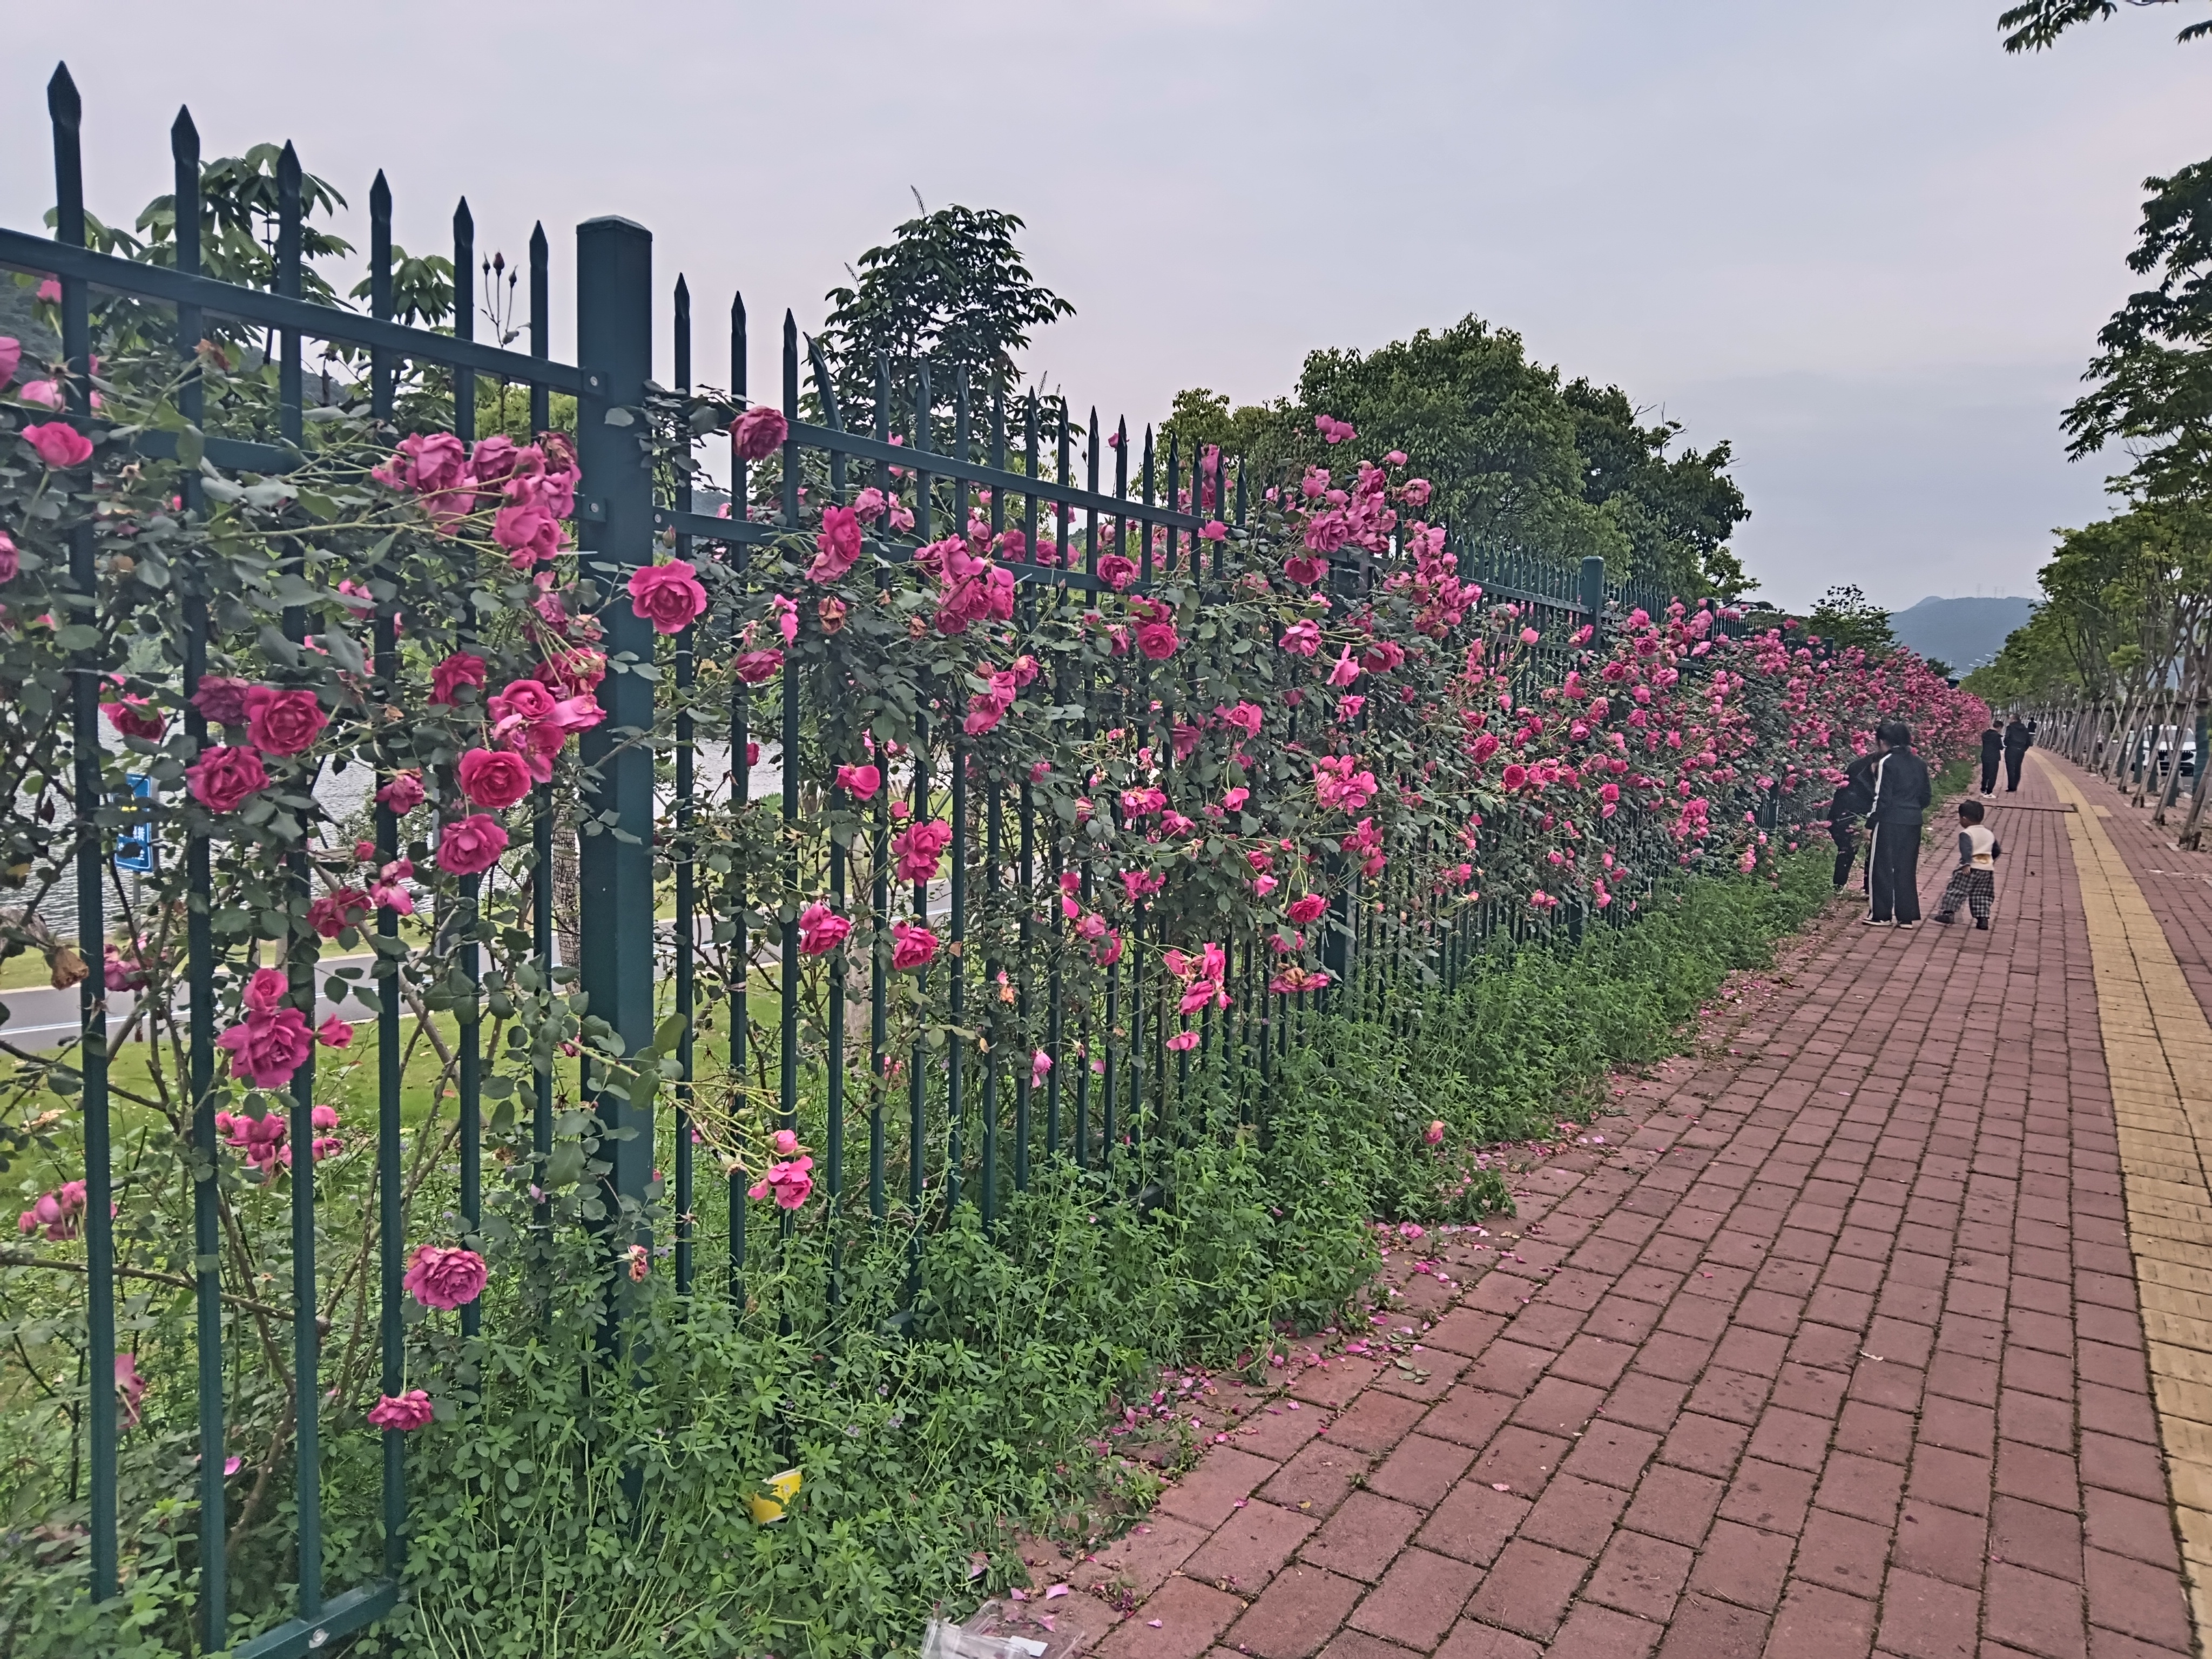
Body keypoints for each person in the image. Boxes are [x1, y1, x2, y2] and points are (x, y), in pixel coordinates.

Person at [1866, 720, 1932, 927]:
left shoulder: (1888, 762)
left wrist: (1871, 823)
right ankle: (1906, 916)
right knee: (1906, 867)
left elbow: (1882, 797)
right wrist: (1912, 810)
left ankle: (1881, 914)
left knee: (1882, 866)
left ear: (1883, 741)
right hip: (1913, 821)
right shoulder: (1919, 763)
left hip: (1889, 820)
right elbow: (1926, 796)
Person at [1933, 798, 2000, 929]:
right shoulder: (1989, 833)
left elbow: (1966, 850)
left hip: (1969, 868)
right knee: (1982, 894)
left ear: (1964, 819)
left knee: (1957, 890)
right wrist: (1989, 861)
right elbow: (1997, 850)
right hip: (1986, 869)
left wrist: (1966, 864)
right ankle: (1983, 920)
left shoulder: (1966, 833)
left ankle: (1948, 913)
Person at [1827, 744, 1880, 891]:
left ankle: (1870, 888)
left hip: (1871, 812)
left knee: (1876, 848)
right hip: (1848, 812)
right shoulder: (1858, 768)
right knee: (1847, 849)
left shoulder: (1889, 769)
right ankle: (1838, 886)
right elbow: (1845, 799)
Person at [2003, 716, 2032, 792]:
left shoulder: (2010, 728)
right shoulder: (2025, 729)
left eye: (2010, 718)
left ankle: (2011, 787)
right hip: (2021, 750)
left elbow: (2007, 738)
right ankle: (2015, 786)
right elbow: (2029, 742)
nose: (2009, 719)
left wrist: (2007, 744)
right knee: (2017, 768)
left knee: (2010, 768)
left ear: (2014, 719)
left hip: (2011, 749)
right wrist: (2024, 749)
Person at [1979, 721, 2002, 797]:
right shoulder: (1997, 736)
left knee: (1985, 773)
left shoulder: (1984, 734)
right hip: (1994, 757)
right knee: (1993, 775)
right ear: (1999, 728)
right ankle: (1989, 792)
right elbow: (2000, 747)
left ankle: (1983, 790)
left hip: (1985, 755)